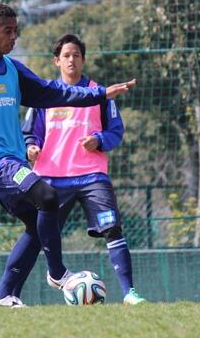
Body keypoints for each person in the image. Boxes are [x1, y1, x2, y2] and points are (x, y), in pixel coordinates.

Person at [0, 4, 136, 308]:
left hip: (13, 162)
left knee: (38, 227)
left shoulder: (12, 68)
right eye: (7, 31)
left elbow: (52, 92)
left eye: (16, 30)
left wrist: (98, 94)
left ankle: (4, 295)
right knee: (47, 196)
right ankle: (58, 274)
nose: (14, 37)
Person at [22, 34, 146, 305]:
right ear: (56, 61)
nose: (71, 60)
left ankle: (130, 293)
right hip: (52, 179)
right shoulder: (45, 95)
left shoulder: (100, 93)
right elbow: (30, 134)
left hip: (92, 176)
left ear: (83, 59)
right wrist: (31, 148)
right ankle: (18, 290)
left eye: (76, 55)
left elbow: (115, 131)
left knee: (112, 228)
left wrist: (98, 140)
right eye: (66, 55)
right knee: (37, 234)